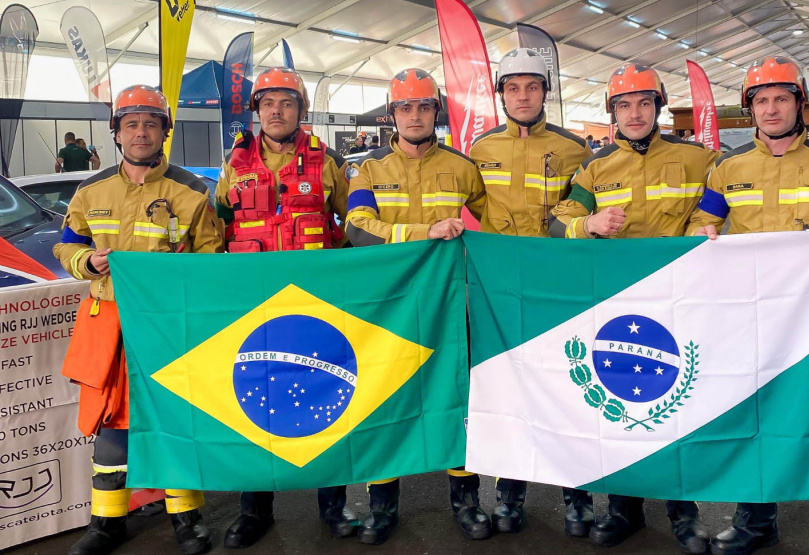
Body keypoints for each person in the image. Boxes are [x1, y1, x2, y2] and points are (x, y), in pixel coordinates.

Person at [688, 56, 809, 555]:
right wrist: (703, 233)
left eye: (781, 98)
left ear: (799, 104)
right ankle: (756, 525)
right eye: (761, 100)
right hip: (749, 324)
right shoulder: (727, 170)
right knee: (751, 424)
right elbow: (699, 223)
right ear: (749, 109)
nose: (771, 109)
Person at [549, 63, 719, 554]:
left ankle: (683, 515)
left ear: (659, 108)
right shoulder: (595, 168)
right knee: (622, 407)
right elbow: (560, 223)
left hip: (680, 302)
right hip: (617, 307)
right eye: (624, 105)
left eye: (645, 103)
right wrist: (591, 224)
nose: (635, 113)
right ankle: (624, 510)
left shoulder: (700, 160)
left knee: (678, 408)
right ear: (613, 113)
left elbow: (731, 203)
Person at [53, 85, 223, 555]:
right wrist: (87, 262)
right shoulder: (90, 190)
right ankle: (106, 524)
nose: (141, 132)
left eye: (151, 123)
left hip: (168, 326)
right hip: (106, 322)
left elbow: (211, 259)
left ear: (165, 132)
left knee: (174, 418)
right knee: (110, 424)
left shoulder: (192, 192)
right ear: (116, 132)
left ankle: (186, 519)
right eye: (131, 124)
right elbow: (66, 243)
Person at [214, 66, 357, 548]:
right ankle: (254, 510)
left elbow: (353, 226)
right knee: (253, 404)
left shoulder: (328, 161)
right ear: (257, 111)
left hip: (316, 309)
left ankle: (334, 506)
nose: (277, 111)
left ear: (301, 111)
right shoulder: (233, 163)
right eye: (268, 103)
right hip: (253, 311)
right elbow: (215, 230)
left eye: (287, 103)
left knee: (326, 400)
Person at [345, 68, 486, 545]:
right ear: (391, 115)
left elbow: (499, 229)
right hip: (391, 308)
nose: (414, 115)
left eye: (423, 106)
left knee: (454, 399)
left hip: (450, 304)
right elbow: (358, 229)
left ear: (436, 112)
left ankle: (467, 502)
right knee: (385, 398)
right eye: (405, 107)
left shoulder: (465, 168)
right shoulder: (367, 169)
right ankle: (382, 507)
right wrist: (419, 233)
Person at [467, 47, 593, 536]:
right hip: (498, 288)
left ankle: (576, 496)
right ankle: (510, 493)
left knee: (568, 388)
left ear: (546, 92)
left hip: (558, 287)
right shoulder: (479, 149)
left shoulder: (576, 150)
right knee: (508, 392)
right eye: (513, 88)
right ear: (501, 94)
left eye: (532, 86)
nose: (523, 96)